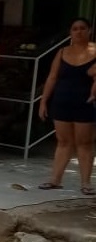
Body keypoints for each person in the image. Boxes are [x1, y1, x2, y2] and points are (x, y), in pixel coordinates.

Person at [38, 18, 96, 195]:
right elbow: (52, 77)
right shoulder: (62, 52)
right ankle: (55, 180)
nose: (78, 32)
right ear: (70, 32)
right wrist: (43, 101)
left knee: (84, 143)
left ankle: (86, 183)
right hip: (62, 102)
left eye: (82, 28)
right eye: (75, 29)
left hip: (85, 103)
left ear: (89, 30)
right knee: (63, 142)